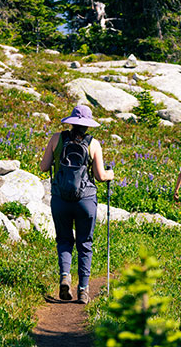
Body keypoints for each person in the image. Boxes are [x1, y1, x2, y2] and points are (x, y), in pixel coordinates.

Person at [40, 105, 114, 304]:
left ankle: (65, 276)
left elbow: (44, 167)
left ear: (71, 122)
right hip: (85, 200)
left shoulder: (56, 139)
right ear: (88, 125)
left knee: (64, 240)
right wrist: (110, 174)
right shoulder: (94, 144)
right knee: (85, 243)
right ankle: (83, 289)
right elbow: (99, 176)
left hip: (60, 198)